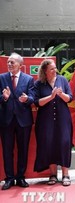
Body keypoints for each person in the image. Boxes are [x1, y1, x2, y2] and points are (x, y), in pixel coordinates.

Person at [33, 59, 73, 186]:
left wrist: (61, 94)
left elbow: (70, 98)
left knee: (64, 142)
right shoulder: (39, 84)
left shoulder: (62, 80)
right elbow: (36, 102)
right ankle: (53, 174)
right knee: (49, 143)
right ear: (45, 71)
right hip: (45, 120)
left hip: (63, 118)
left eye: (55, 68)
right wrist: (51, 96)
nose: (54, 70)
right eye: (51, 69)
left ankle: (65, 174)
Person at [0, 53, 34, 190]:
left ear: (20, 65)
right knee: (7, 150)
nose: (9, 64)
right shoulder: (1, 78)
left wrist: (27, 99)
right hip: (6, 120)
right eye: (8, 62)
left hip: (23, 120)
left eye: (12, 62)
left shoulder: (28, 79)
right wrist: (4, 97)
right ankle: (9, 178)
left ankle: (20, 177)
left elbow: (33, 97)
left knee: (23, 149)